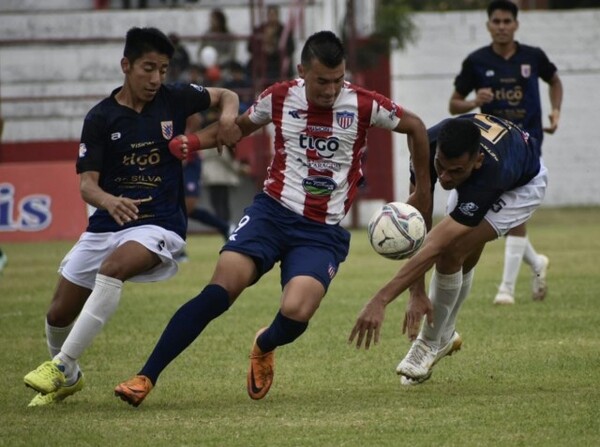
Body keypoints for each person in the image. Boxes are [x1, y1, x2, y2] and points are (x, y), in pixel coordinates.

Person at [113, 30, 432, 407]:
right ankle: (145, 376)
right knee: (219, 291)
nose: (330, 90)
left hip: (320, 231)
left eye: (337, 80)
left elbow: (415, 126)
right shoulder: (279, 97)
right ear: (302, 71)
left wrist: (422, 187)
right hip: (270, 213)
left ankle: (264, 343)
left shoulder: (363, 104)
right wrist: (194, 142)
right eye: (321, 82)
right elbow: (236, 128)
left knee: (297, 312)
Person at [22, 26, 240, 407]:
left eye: (163, 69)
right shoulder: (101, 118)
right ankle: (70, 378)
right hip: (109, 222)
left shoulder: (174, 99)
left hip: (160, 222)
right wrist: (109, 201)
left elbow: (227, 95)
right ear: (126, 65)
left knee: (113, 268)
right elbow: (87, 185)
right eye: (148, 68)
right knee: (58, 313)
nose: (156, 78)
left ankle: (60, 365)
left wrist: (226, 119)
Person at [349, 113, 547, 386]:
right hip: (486, 166)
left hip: (521, 186)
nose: (444, 177)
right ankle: (446, 333)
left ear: (476, 162)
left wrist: (380, 299)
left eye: (455, 172)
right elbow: (419, 220)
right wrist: (416, 292)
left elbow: (434, 247)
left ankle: (429, 344)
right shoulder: (426, 147)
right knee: (457, 253)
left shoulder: (491, 174)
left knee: (451, 251)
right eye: (440, 167)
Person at [448, 0, 562, 305]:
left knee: (510, 214)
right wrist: (474, 102)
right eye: (496, 21)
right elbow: (453, 104)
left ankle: (505, 290)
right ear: (488, 25)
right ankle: (536, 263)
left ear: (516, 24)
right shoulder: (476, 62)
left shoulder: (532, 57)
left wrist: (555, 112)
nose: (501, 26)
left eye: (506, 21)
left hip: (527, 147)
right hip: (491, 148)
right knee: (502, 214)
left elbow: (555, 81)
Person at [247, 5, 295, 87]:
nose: (272, 17)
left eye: (274, 14)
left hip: (277, 63)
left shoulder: (284, 32)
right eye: (270, 14)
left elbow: (291, 48)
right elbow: (250, 47)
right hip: (262, 63)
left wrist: (275, 49)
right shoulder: (259, 30)